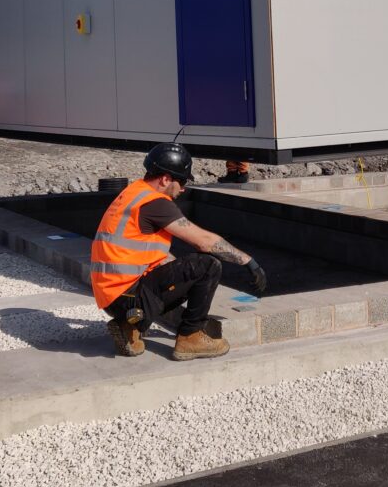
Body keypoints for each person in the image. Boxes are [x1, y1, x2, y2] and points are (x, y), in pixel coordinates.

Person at [91, 142, 267, 359]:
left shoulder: (133, 193)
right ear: (165, 179)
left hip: (114, 297)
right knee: (207, 266)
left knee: (182, 269)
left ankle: (130, 325)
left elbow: (154, 255)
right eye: (181, 180)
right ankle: (190, 337)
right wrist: (248, 261)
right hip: (129, 296)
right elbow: (203, 241)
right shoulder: (155, 203)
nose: (183, 188)